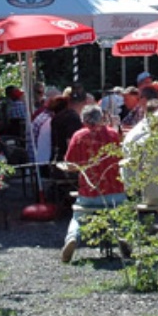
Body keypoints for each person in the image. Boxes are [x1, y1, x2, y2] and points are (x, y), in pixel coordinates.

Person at [61, 104, 126, 263]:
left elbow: (70, 165)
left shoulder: (78, 136)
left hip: (90, 192)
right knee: (123, 213)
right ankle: (125, 237)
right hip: (114, 192)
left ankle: (72, 238)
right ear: (101, 118)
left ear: (83, 120)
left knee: (78, 216)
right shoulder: (112, 134)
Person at [52, 84, 90, 162]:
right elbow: (71, 144)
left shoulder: (58, 116)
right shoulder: (74, 119)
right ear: (86, 102)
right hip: (67, 163)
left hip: (56, 159)